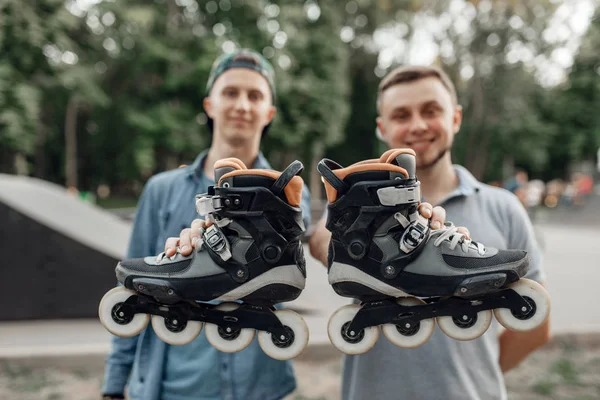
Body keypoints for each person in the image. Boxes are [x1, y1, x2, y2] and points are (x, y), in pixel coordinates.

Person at [309, 65, 551, 400]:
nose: (418, 125)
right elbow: (323, 239)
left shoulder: (504, 206)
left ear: (455, 118)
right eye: (401, 115)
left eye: (431, 111)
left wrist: (481, 375)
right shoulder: (356, 206)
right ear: (383, 127)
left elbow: (534, 320)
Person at [101, 49, 313, 400]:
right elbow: (131, 286)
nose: (242, 105)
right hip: (175, 384)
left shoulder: (290, 194)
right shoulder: (161, 190)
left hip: (258, 382)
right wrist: (114, 383)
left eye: (254, 95)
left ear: (269, 113)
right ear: (210, 105)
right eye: (230, 93)